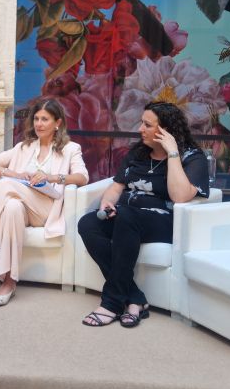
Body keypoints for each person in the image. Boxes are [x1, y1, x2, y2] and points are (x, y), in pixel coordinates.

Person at [77, 101, 210, 328]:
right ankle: (135, 297)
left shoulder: (192, 157)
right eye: (142, 123)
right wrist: (106, 203)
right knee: (88, 223)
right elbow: (117, 187)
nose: (140, 129)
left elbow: (180, 196)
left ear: (166, 130)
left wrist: (172, 153)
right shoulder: (137, 153)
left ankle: (112, 303)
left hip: (164, 222)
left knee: (127, 216)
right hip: (127, 217)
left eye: (147, 125)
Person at [0, 98, 88, 307]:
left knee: (7, 185)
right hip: (23, 208)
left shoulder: (70, 149)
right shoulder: (24, 147)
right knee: (12, 208)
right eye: (36, 119)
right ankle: (9, 282)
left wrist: (51, 177)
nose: (39, 124)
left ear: (57, 123)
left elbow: (82, 177)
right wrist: (17, 174)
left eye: (45, 119)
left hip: (46, 210)